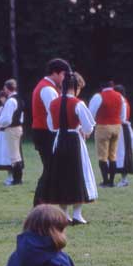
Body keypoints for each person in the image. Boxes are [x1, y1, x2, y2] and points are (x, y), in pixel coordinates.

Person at [43, 72, 97, 224]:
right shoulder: (78, 103)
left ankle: (64, 214)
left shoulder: (53, 103)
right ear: (76, 87)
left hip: (59, 140)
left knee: (62, 174)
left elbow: (51, 126)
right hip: (74, 140)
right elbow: (88, 127)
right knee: (78, 173)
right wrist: (82, 130)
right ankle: (77, 214)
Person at [32, 58, 71, 205]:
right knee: (50, 170)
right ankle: (39, 205)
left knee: (51, 170)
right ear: (56, 73)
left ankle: (43, 205)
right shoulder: (48, 89)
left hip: (43, 132)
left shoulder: (47, 87)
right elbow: (56, 113)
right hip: (46, 133)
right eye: (63, 75)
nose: (65, 79)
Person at [89, 80, 126, 187]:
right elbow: (122, 115)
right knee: (113, 155)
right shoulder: (120, 97)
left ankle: (105, 181)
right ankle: (112, 181)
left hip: (103, 126)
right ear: (112, 86)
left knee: (102, 156)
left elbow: (91, 113)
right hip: (117, 127)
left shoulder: (98, 96)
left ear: (102, 87)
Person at [0, 79, 25, 185]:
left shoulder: (10, 101)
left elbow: (7, 119)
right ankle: (18, 179)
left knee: (14, 155)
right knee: (16, 154)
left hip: (12, 129)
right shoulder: (19, 99)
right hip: (18, 127)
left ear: (7, 89)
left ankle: (17, 180)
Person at [113, 85, 133, 187]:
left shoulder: (121, 101)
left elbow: (121, 117)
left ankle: (122, 179)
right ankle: (123, 178)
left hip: (121, 128)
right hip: (124, 128)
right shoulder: (125, 101)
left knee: (121, 154)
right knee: (122, 154)